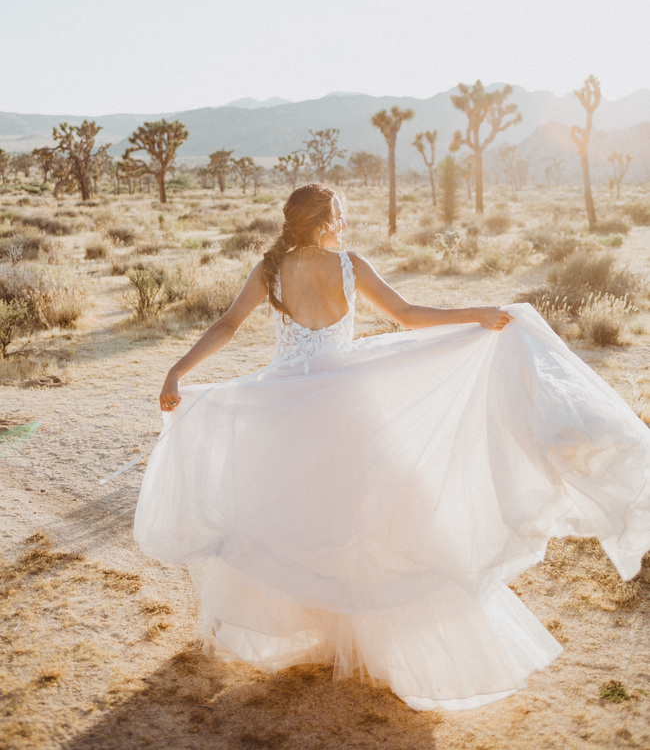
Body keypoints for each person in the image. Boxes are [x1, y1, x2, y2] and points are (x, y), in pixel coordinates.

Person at [135, 183, 650, 712]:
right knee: (372, 519)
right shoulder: (349, 264)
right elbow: (407, 316)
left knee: (302, 519)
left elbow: (226, 325)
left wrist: (178, 371)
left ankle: (332, 635)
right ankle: (370, 643)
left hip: (287, 409)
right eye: (339, 213)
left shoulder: (271, 270)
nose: (346, 221)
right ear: (323, 220)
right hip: (345, 408)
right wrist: (475, 313)